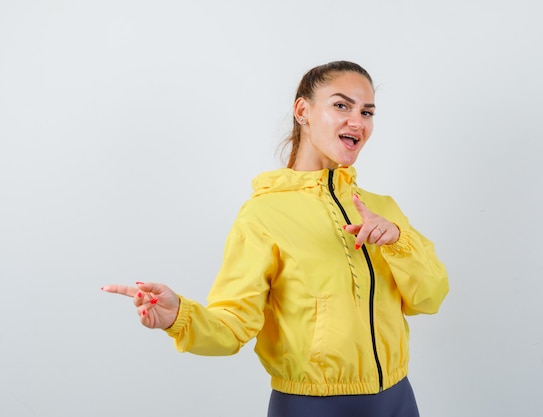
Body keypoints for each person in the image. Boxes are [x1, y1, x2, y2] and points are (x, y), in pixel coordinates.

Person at [102, 60, 449, 417]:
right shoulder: (263, 215)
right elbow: (233, 326)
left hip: (396, 400)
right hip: (309, 406)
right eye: (341, 105)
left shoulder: (382, 209)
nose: (357, 121)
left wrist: (397, 243)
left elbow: (430, 298)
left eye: (367, 111)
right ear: (303, 111)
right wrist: (180, 317)